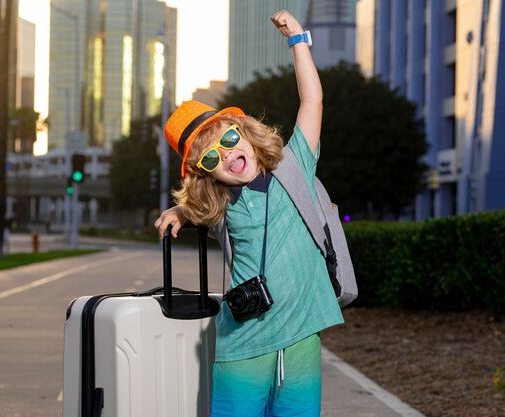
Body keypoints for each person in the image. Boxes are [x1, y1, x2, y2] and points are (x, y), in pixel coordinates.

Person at [154, 10, 343, 417]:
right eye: (210, 157)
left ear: (245, 131)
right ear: (204, 172)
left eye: (229, 138)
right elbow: (199, 204)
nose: (227, 154)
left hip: (301, 340)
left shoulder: (295, 165)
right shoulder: (220, 202)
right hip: (244, 346)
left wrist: (298, 41)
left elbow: (313, 100)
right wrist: (181, 213)